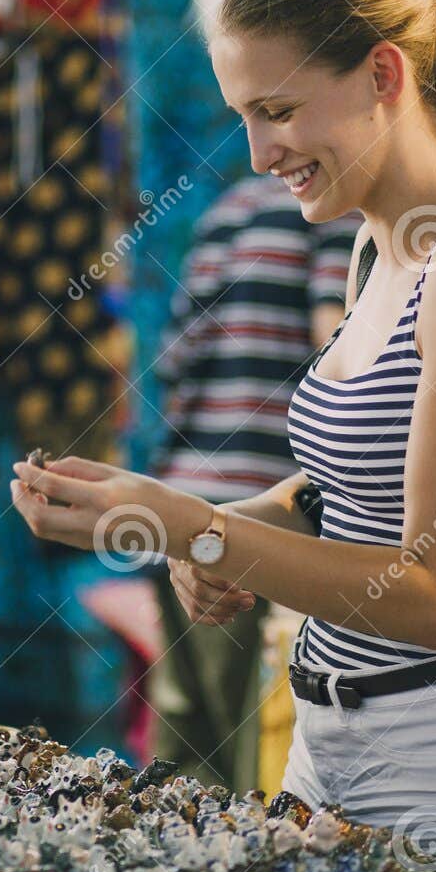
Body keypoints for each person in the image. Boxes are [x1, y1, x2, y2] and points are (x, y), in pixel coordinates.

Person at [12, 0, 436, 872]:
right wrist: (177, 525)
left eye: (276, 109)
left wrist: (198, 531)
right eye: (245, 114)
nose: (256, 151)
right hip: (334, 748)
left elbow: (433, 594)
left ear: (380, 76)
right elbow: (336, 492)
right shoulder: (382, 250)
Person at [145, 174, 358, 790]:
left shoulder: (224, 211)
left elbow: (174, 360)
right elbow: (337, 343)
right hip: (265, 510)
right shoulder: (334, 216)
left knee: (184, 745)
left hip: (186, 502)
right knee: (252, 748)